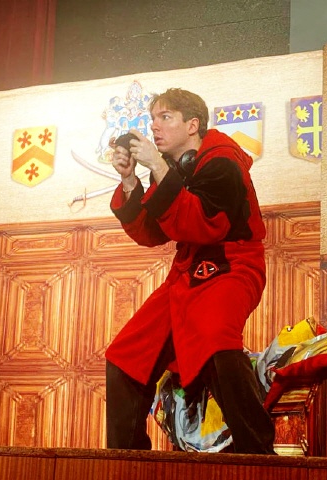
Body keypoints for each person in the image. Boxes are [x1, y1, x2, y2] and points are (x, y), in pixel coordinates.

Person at [105, 88, 275, 454]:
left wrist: (158, 167)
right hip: (187, 270)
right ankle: (125, 461)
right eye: (153, 119)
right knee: (125, 357)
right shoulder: (173, 167)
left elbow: (203, 225)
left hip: (232, 263)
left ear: (192, 125)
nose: (155, 127)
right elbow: (152, 233)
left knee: (215, 339)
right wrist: (130, 181)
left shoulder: (223, 161)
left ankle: (259, 454)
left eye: (165, 117)